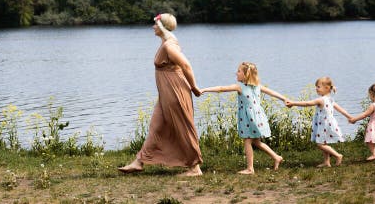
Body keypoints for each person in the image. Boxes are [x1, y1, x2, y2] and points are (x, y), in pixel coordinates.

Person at [119, 13, 203, 176]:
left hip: (175, 92)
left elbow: (186, 65)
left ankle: (195, 167)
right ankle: (139, 162)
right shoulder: (166, 42)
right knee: (155, 127)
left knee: (183, 127)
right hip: (166, 93)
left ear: (162, 27)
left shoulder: (169, 46)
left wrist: (194, 87)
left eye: (155, 24)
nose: (153, 27)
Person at [200, 61, 290, 173]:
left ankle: (250, 168)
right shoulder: (257, 86)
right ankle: (276, 157)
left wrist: (204, 89)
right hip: (258, 117)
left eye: (238, 71)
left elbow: (221, 88)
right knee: (256, 142)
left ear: (245, 75)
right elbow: (272, 92)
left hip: (249, 118)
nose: (236, 73)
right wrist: (284, 99)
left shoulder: (240, 87)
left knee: (247, 141)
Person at [286, 76, 352, 167]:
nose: (316, 89)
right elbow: (340, 109)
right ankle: (326, 162)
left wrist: (293, 103)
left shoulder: (321, 100)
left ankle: (338, 155)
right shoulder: (330, 99)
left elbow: (307, 103)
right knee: (323, 142)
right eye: (316, 87)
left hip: (324, 125)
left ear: (327, 88)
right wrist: (349, 117)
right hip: (327, 123)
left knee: (320, 144)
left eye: (318, 87)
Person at [347, 83, 375, 163]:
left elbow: (365, 114)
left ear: (372, 94)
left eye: (369, 95)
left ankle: (374, 154)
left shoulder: (373, 105)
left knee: (369, 141)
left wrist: (354, 119)